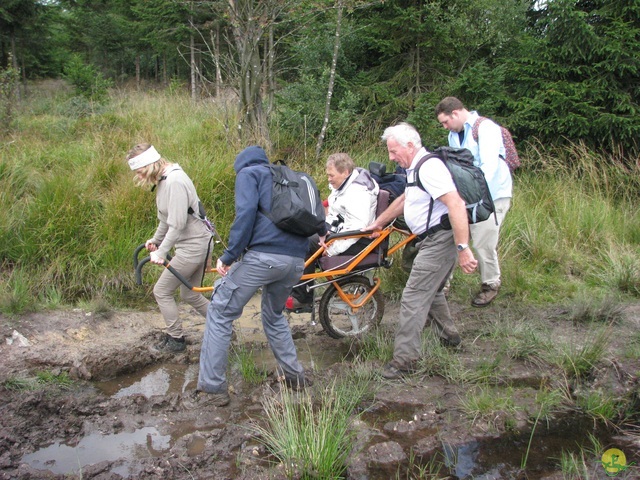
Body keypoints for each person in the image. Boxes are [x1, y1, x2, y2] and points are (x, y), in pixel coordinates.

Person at [192, 146, 324, 407]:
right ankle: (295, 377)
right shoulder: (289, 179)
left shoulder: (249, 174)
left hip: (263, 259)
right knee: (273, 316)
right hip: (296, 261)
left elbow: (246, 214)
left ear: (239, 165)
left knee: (220, 311)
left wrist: (229, 255)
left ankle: (212, 389)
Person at [366, 123, 477, 379]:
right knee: (433, 291)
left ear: (409, 145)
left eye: (394, 151)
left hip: (440, 239)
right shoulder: (415, 168)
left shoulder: (429, 167)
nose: (391, 157)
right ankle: (449, 337)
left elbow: (456, 205)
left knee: (414, 297)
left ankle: (405, 361)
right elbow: (406, 198)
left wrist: (463, 248)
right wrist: (378, 223)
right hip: (429, 239)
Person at [126, 143, 212, 353]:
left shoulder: (174, 181)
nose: (138, 176)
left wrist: (162, 252)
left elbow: (178, 224)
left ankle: (176, 340)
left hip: (194, 245)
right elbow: (166, 220)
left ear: (149, 165)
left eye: (139, 171)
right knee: (190, 295)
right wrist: (155, 240)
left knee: (162, 291)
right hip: (192, 242)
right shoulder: (163, 181)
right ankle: (223, 327)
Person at [435, 96, 513, 307]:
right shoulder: (454, 135)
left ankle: (491, 284)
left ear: (456, 113)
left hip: (492, 194)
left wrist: (469, 194)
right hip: (466, 195)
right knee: (454, 237)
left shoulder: (486, 128)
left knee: (483, 241)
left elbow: (488, 168)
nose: (444, 127)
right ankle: (442, 286)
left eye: (445, 122)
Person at [285, 153, 379, 311]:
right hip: (338, 232)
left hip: (356, 240)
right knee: (298, 234)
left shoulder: (358, 192)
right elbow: (335, 214)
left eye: (331, 175)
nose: (328, 179)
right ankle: (293, 287)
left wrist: (332, 249)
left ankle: (302, 298)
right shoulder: (342, 186)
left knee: (305, 242)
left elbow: (357, 227)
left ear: (345, 172)